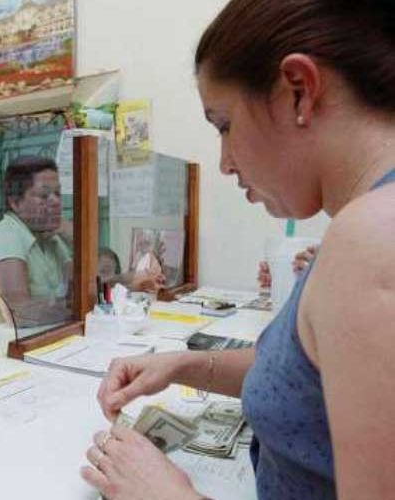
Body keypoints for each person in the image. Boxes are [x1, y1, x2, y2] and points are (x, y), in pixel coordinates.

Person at [81, 1, 395, 499]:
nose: (225, 164)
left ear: (299, 90)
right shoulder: (364, 229)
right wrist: (180, 365)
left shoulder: (372, 237)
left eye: (223, 124)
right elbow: (312, 371)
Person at [0, 156, 73, 327]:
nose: (56, 201)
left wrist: (73, 236)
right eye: (44, 195)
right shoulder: (4, 236)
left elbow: (83, 287)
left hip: (44, 338)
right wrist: (75, 305)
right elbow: (21, 315)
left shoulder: (53, 239)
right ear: (15, 203)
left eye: (58, 193)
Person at [98, 247, 165, 294]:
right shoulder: (95, 287)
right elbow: (111, 280)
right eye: (103, 271)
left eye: (108, 271)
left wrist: (144, 285)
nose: (109, 277)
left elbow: (123, 285)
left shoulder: (116, 290)